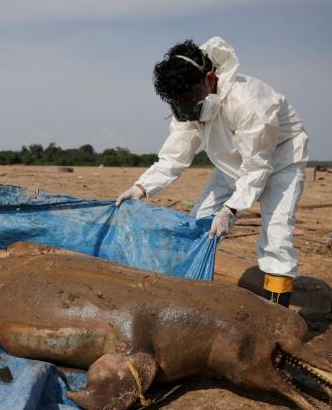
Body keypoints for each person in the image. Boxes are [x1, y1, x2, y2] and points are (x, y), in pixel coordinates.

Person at [116, 37, 308, 308]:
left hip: (279, 163)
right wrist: (142, 187)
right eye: (177, 101)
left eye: (190, 98)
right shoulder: (187, 105)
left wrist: (231, 209)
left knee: (276, 238)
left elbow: (256, 167)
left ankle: (276, 314)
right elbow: (176, 153)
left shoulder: (248, 103)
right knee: (200, 223)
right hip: (230, 167)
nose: (185, 107)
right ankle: (191, 296)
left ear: (209, 78)